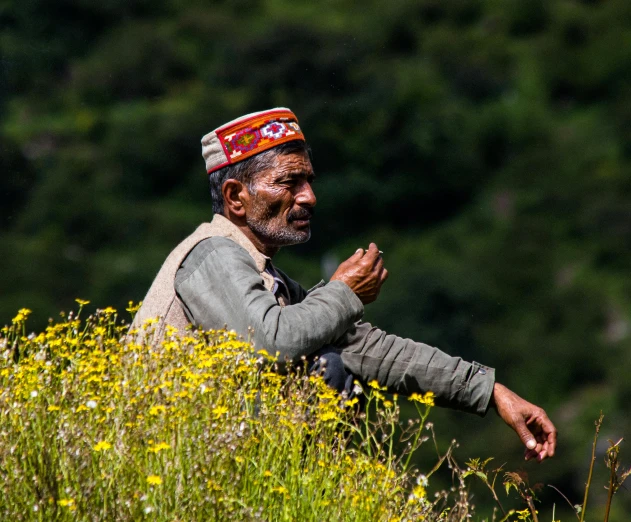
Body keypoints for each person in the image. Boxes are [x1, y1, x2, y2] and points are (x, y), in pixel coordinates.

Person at [133, 108, 557, 462]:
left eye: (309, 180)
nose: (309, 197)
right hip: (160, 466)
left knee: (335, 358)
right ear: (236, 197)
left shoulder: (268, 279)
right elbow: (269, 345)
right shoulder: (212, 254)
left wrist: (492, 391)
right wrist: (343, 293)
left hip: (203, 463)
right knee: (325, 369)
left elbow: (368, 349)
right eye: (288, 182)